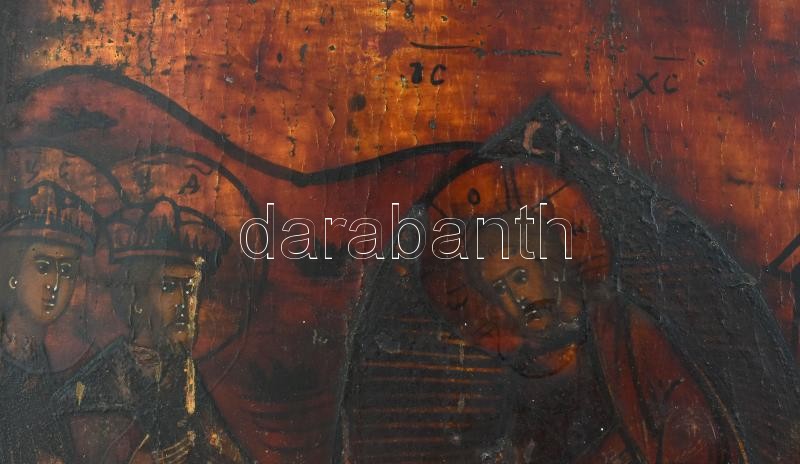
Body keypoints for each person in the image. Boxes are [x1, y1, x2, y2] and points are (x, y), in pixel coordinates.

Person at [457, 211, 743, 463]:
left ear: (549, 267)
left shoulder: (622, 329)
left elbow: (693, 427)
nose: (516, 298)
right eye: (499, 289)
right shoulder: (527, 370)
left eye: (520, 277)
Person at [57, 198, 248, 463]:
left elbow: (222, 448)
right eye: (168, 287)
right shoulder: (96, 384)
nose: (184, 303)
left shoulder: (183, 371)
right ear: (137, 299)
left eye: (190, 288)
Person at [0, 182, 99, 463]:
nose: (54, 284)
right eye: (43, 267)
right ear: (13, 273)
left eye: (66, 271)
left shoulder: (47, 363)